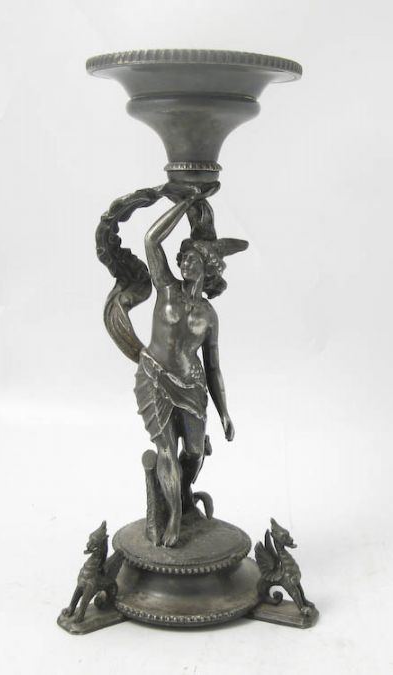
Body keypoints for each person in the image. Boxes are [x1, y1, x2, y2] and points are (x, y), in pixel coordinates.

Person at [134, 183, 247, 546]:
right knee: (167, 449)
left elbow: (213, 367)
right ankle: (173, 518)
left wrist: (224, 412)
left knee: (194, 453)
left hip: (193, 387)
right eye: (182, 258)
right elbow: (151, 240)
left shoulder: (209, 315)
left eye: (191, 259)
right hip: (155, 376)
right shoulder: (166, 288)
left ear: (206, 267)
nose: (183, 263)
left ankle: (180, 496)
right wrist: (187, 201)